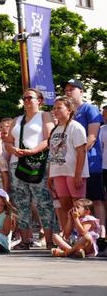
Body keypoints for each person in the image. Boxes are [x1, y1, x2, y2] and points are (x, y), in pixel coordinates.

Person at [3, 88, 56, 250]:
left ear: (39, 100)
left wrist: (32, 151)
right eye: (24, 98)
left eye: (29, 98)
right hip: (16, 163)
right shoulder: (17, 119)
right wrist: (13, 150)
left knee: (43, 202)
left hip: (36, 163)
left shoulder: (44, 115)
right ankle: (26, 240)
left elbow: (49, 139)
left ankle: (49, 240)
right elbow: (8, 141)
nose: (26, 100)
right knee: (20, 203)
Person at [63, 79, 105, 231]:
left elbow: (92, 137)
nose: (68, 91)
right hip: (71, 166)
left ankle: (101, 235)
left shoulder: (90, 108)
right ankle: (80, 234)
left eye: (72, 88)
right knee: (78, 202)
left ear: (81, 91)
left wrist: (78, 154)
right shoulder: (68, 113)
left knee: (96, 200)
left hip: (91, 164)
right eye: (66, 89)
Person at [48, 96, 89, 230]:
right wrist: (50, 175)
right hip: (58, 171)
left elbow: (81, 152)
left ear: (69, 110)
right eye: (54, 108)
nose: (55, 110)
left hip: (73, 172)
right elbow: (52, 153)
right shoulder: (55, 129)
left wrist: (78, 175)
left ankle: (83, 235)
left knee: (78, 206)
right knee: (64, 205)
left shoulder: (76, 127)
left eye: (59, 107)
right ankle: (68, 235)